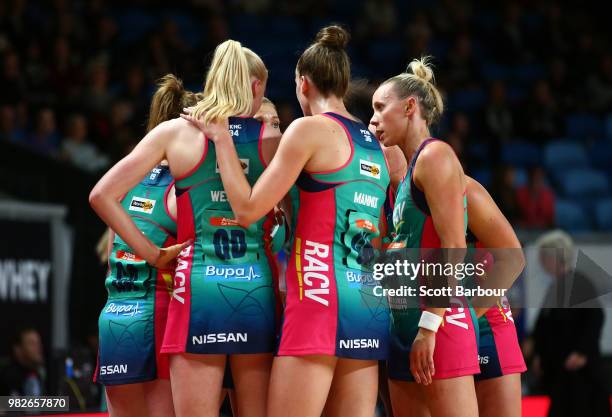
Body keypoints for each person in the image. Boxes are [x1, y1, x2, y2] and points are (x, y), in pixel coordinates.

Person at [183, 25, 391, 417]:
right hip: (366, 300)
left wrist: (223, 139)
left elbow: (246, 210)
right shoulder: (373, 143)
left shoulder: (308, 129)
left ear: (303, 83)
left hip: (318, 298)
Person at [90, 40, 278, 417]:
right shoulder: (272, 139)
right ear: (256, 87)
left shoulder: (175, 133)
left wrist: (154, 255)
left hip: (197, 291)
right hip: (255, 289)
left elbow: (101, 195)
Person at [369, 57, 479, 417]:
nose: (373, 120)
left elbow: (454, 246)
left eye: (380, 108)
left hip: (435, 329)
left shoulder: (436, 156)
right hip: (406, 328)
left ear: (410, 107)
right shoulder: (407, 175)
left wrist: (429, 327)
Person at [94, 74, 199, 417]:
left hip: (114, 317)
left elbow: (111, 254)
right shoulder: (184, 186)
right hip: (159, 318)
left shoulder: (127, 180)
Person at [464, 177, 526, 417]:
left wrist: (468, 318)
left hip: (486, 328)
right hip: (435, 330)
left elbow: (513, 258)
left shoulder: (466, 192)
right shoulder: (395, 199)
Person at [531, 230, 610, 417]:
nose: (541, 261)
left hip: (579, 374)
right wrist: (538, 353)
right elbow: (544, 324)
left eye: (544, 256)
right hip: (560, 371)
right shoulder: (555, 287)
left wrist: (582, 352)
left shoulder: (579, 283)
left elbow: (595, 317)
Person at [0, 327, 45, 396]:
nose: (38, 347)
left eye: (38, 343)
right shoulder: (8, 377)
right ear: (18, 349)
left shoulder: (38, 374)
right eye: (32, 344)